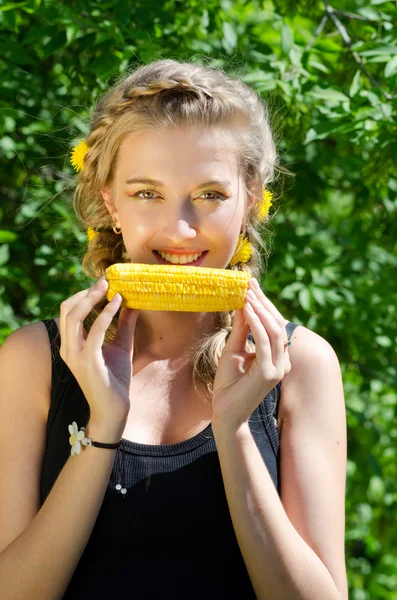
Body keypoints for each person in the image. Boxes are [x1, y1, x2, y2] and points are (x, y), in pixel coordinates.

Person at [0, 59, 348, 599]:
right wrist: (104, 423)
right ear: (110, 201)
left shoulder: (300, 365)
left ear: (251, 198)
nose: (181, 229)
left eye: (210, 194)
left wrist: (233, 428)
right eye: (146, 193)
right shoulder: (33, 362)